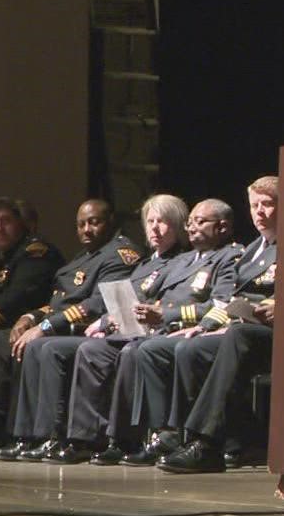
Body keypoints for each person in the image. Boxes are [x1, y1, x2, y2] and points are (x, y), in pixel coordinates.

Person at [21, 195, 190, 463]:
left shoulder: (185, 260)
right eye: (150, 221)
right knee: (92, 350)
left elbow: (174, 303)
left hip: (158, 332)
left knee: (119, 352)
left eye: (163, 222)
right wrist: (108, 321)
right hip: (128, 330)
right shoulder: (146, 264)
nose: (155, 228)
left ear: (180, 225)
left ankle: (122, 439)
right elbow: (120, 302)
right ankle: (82, 438)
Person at [0, 200, 138, 456]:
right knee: (0, 341)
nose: (87, 229)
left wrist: (45, 326)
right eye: (81, 224)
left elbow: (97, 303)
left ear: (111, 221)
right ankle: (8, 433)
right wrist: (29, 318)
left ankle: (48, 433)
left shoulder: (120, 254)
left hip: (91, 329)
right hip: (62, 325)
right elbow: (59, 301)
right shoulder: (83, 257)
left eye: (94, 222)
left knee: (42, 347)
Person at [135, 177, 280, 470]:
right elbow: (229, 300)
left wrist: (276, 306)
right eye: (254, 205)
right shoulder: (253, 251)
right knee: (191, 348)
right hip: (240, 327)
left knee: (237, 335)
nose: (259, 212)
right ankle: (230, 438)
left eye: (267, 204)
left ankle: (207, 443)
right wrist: (206, 327)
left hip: (276, 332)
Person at [0, 198, 65, 455]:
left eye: (5, 222)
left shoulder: (36, 253)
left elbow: (15, 298)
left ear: (19, 223)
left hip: (30, 325)